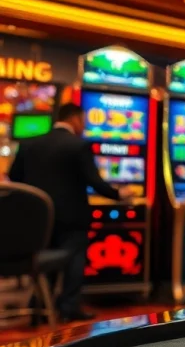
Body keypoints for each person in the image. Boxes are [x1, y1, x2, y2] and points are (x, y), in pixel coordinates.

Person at [8, 102, 134, 321]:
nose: (83, 125)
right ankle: (69, 308)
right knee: (74, 259)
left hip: (39, 218)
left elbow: (14, 177)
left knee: (44, 261)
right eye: (83, 121)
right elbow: (94, 181)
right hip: (72, 215)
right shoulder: (79, 145)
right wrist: (119, 194)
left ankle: (41, 307)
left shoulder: (29, 144)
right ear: (74, 118)